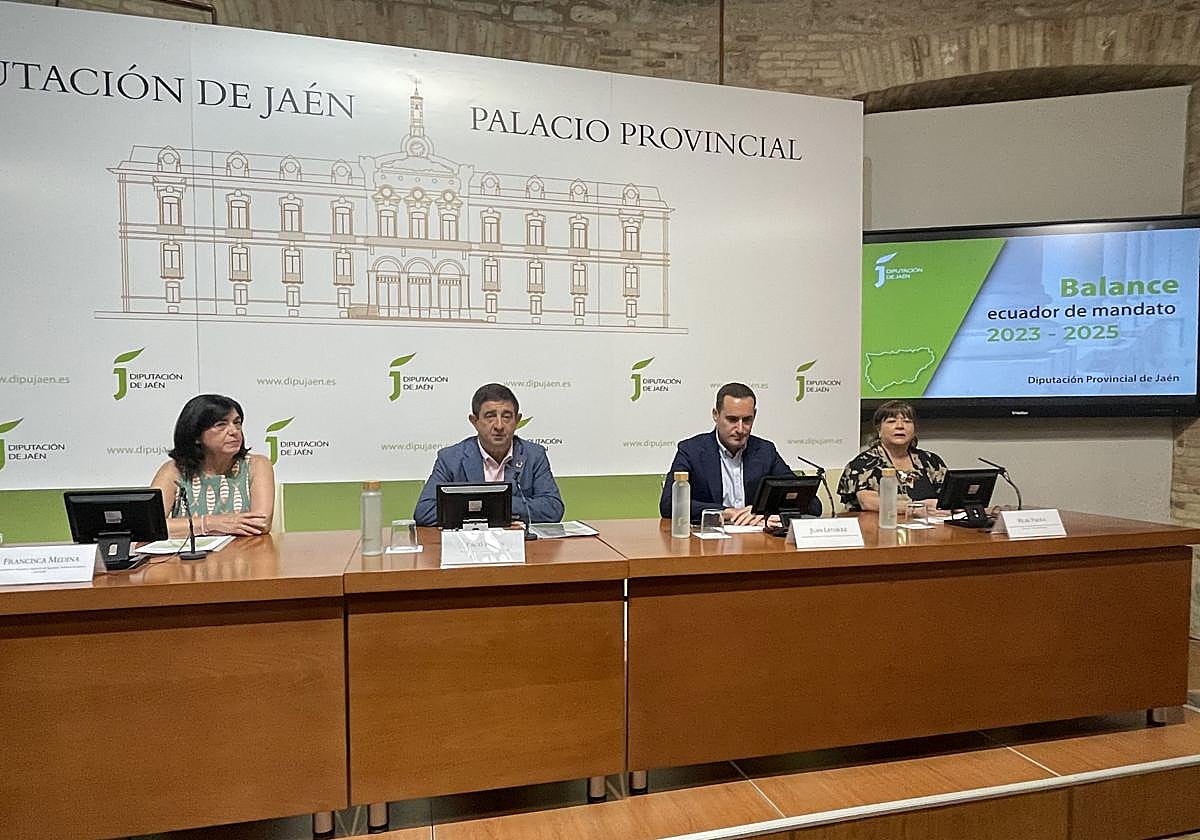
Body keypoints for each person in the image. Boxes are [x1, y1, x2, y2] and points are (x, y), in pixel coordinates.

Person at [659, 382, 820, 525]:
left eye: (747, 420)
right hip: (709, 543)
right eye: (732, 419)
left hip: (756, 545)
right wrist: (726, 512)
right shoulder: (691, 450)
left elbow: (812, 504)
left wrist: (767, 513)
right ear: (716, 415)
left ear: (754, 416)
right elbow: (669, 504)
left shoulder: (765, 451)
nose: (741, 429)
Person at [414, 383, 564, 526]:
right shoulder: (451, 458)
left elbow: (553, 509)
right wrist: (496, 507)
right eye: (490, 416)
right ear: (475, 421)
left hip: (519, 546)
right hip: (469, 546)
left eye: (506, 416)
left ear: (517, 421)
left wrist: (490, 505)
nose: (499, 425)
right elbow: (424, 511)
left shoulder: (534, 455)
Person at [150, 394, 274, 538]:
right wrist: (210, 524)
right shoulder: (174, 471)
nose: (234, 431)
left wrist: (189, 527)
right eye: (221, 425)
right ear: (196, 435)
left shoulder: (257, 465)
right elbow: (150, 527)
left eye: (237, 423)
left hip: (243, 555)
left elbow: (260, 524)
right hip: (186, 559)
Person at [838, 399, 948, 512]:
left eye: (907, 421)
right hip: (877, 526)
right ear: (879, 429)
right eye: (891, 421)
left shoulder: (931, 461)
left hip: (930, 527)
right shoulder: (863, 464)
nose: (900, 426)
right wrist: (916, 508)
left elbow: (948, 500)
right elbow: (868, 503)